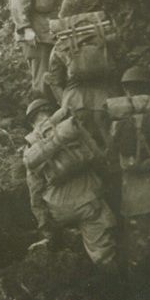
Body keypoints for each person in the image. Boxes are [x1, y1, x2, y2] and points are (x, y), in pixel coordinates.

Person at [25, 98, 117, 274]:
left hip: (59, 213)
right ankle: (111, 284)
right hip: (89, 202)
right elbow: (98, 159)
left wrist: (46, 228)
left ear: (31, 121)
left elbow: (35, 193)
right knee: (104, 255)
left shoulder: (30, 148)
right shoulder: (71, 130)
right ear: (53, 113)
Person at [110, 66, 150, 290]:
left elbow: (113, 157)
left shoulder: (117, 121)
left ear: (127, 90)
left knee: (138, 253)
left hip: (135, 198)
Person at [45, 0, 117, 148]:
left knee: (80, 153)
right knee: (113, 148)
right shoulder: (107, 36)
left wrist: (64, 105)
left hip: (74, 103)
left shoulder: (61, 44)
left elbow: (54, 81)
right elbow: (118, 67)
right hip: (108, 100)